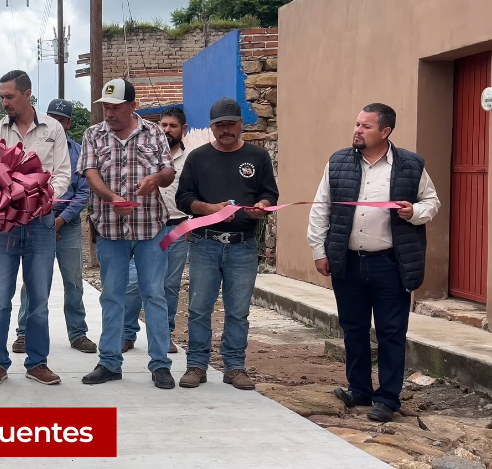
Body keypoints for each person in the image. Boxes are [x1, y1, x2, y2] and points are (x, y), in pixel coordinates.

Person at [307, 103, 440, 422]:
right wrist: (319, 250)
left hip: (390, 265)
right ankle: (360, 390)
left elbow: (432, 202)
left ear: (385, 132)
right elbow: (320, 207)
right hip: (348, 262)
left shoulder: (411, 165)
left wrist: (415, 213)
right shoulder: (338, 162)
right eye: (357, 124)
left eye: (366, 126)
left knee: (391, 331)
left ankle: (388, 398)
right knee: (353, 328)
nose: (357, 130)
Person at [78, 79, 176, 388]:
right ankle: (109, 362)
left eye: (116, 107)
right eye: (106, 107)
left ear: (133, 106)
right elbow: (90, 172)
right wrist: (111, 198)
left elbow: (169, 171)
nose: (109, 113)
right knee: (112, 297)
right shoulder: (93, 135)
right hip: (110, 229)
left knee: (154, 296)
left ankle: (160, 364)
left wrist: (155, 179)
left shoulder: (154, 133)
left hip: (150, 229)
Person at [175, 97, 278, 391]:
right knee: (198, 308)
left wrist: (263, 204)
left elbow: (271, 193)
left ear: (240, 124)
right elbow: (184, 198)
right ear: (212, 127)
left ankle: (234, 367)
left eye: (231, 125)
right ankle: (196, 365)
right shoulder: (198, 158)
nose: (226, 130)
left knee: (238, 310)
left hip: (243, 246)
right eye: (220, 125)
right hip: (205, 244)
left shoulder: (258, 158)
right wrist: (207, 208)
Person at [0, 70, 71, 387]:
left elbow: (61, 174)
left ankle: (37, 363)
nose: (4, 102)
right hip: (2, 228)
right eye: (1, 96)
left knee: (39, 299)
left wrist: (43, 200)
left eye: (10, 96)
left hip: (41, 225)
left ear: (27, 94)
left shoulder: (53, 129)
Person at [12, 98, 95, 355]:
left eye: (61, 119)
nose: (56, 123)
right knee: (33, 281)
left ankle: (78, 333)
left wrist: (60, 220)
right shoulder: (31, 147)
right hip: (34, 221)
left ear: (68, 123)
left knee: (73, 280)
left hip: (66, 224)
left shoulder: (78, 152)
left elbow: (83, 193)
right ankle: (24, 333)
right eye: (51, 117)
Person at [124, 107, 190, 354]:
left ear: (183, 130)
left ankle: (165, 335)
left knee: (169, 286)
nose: (166, 130)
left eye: (173, 126)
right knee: (133, 283)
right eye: (163, 125)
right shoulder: (148, 156)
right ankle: (127, 333)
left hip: (176, 228)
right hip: (147, 228)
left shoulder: (190, 159)